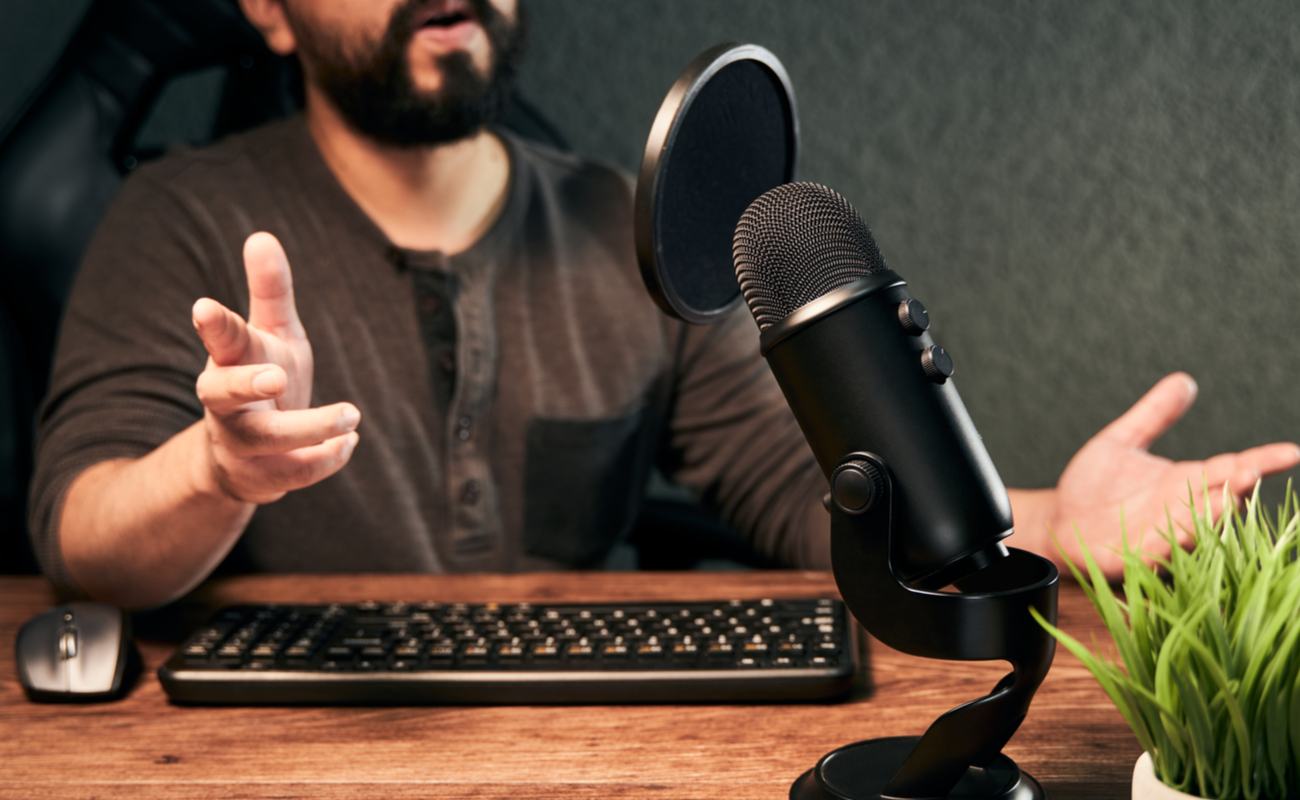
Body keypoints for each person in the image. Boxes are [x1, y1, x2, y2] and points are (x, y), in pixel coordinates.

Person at [29, 0, 1300, 608]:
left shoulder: (621, 226)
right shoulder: (175, 215)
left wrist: (1039, 519)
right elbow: (81, 538)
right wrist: (213, 471)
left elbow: (807, 495)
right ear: (265, 9)